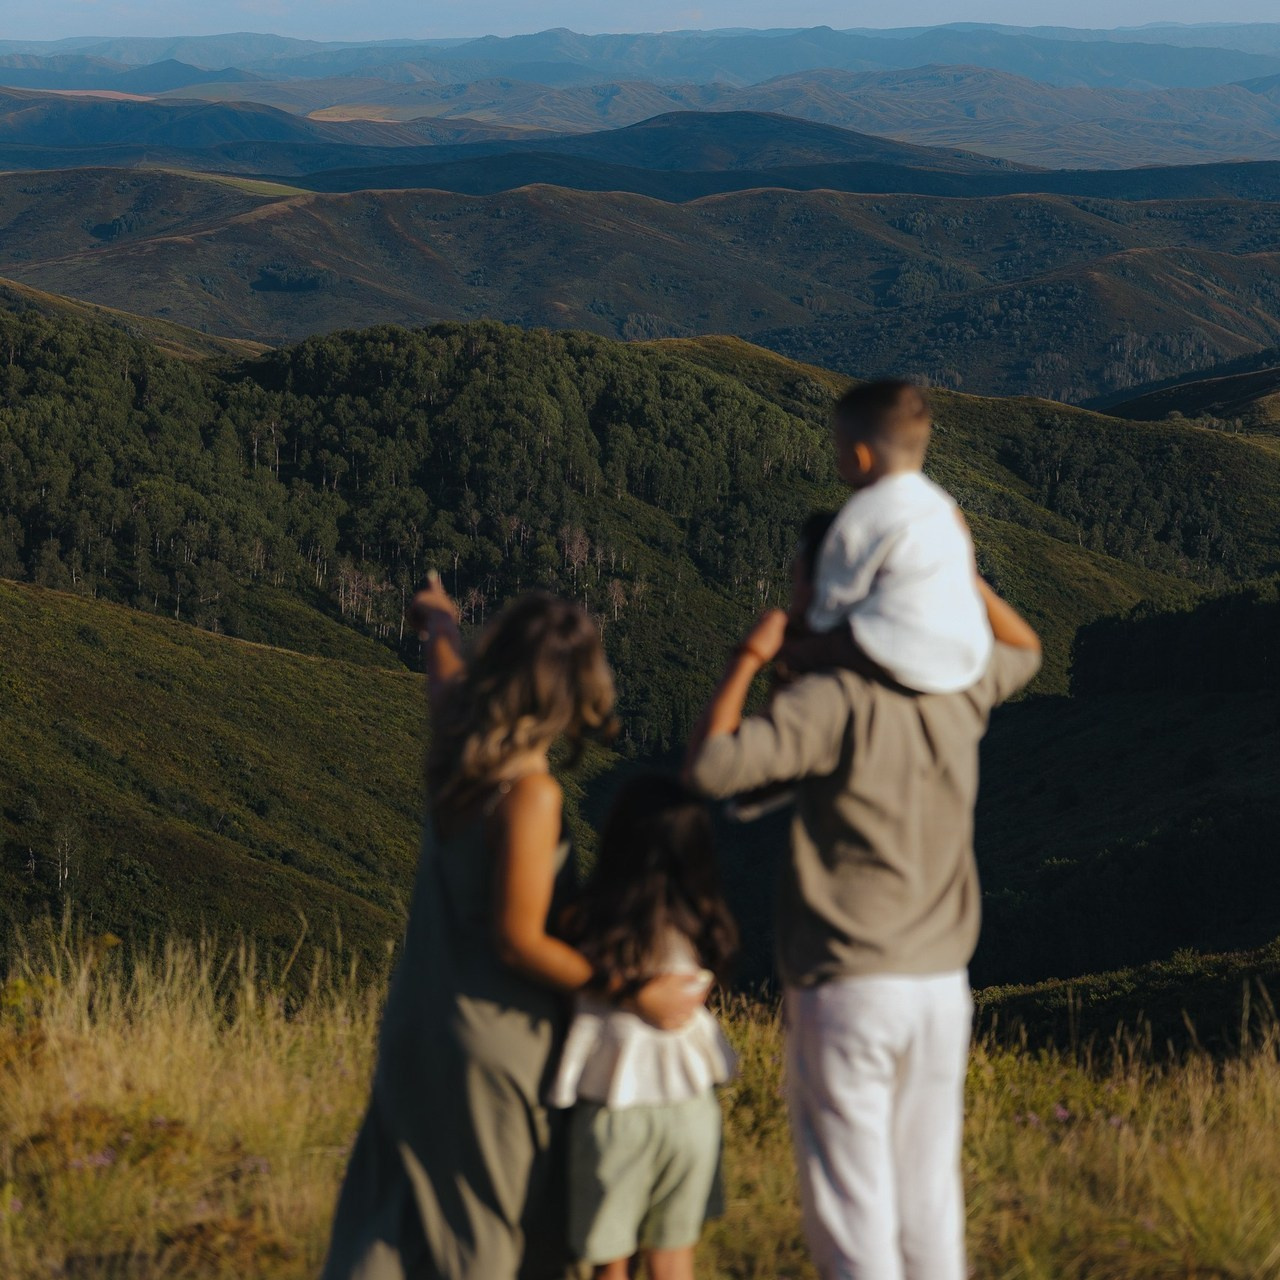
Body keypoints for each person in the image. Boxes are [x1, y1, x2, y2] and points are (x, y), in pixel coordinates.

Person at [322, 575, 705, 1280]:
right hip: (495, 1041)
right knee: (489, 1241)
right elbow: (517, 940)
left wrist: (439, 621)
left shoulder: (457, 749)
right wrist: (633, 993)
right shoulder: (530, 794)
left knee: (397, 1224)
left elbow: (445, 672)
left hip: (417, 1023)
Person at [683, 547, 1042, 1280]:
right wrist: (960, 565)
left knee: (854, 1210)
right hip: (940, 984)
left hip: (848, 981)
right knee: (929, 1198)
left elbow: (712, 767)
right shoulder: (954, 687)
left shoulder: (833, 701)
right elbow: (1025, 650)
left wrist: (749, 658)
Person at [550, 774, 738, 1280]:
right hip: (692, 1110)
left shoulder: (585, 924)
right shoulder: (705, 929)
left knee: (611, 1264)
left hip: (615, 1109)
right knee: (673, 1259)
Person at [801, 379, 992, 695]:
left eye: (839, 448)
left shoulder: (858, 519)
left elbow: (829, 610)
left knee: (803, 649)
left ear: (860, 458)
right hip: (965, 657)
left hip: (899, 659)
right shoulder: (943, 506)